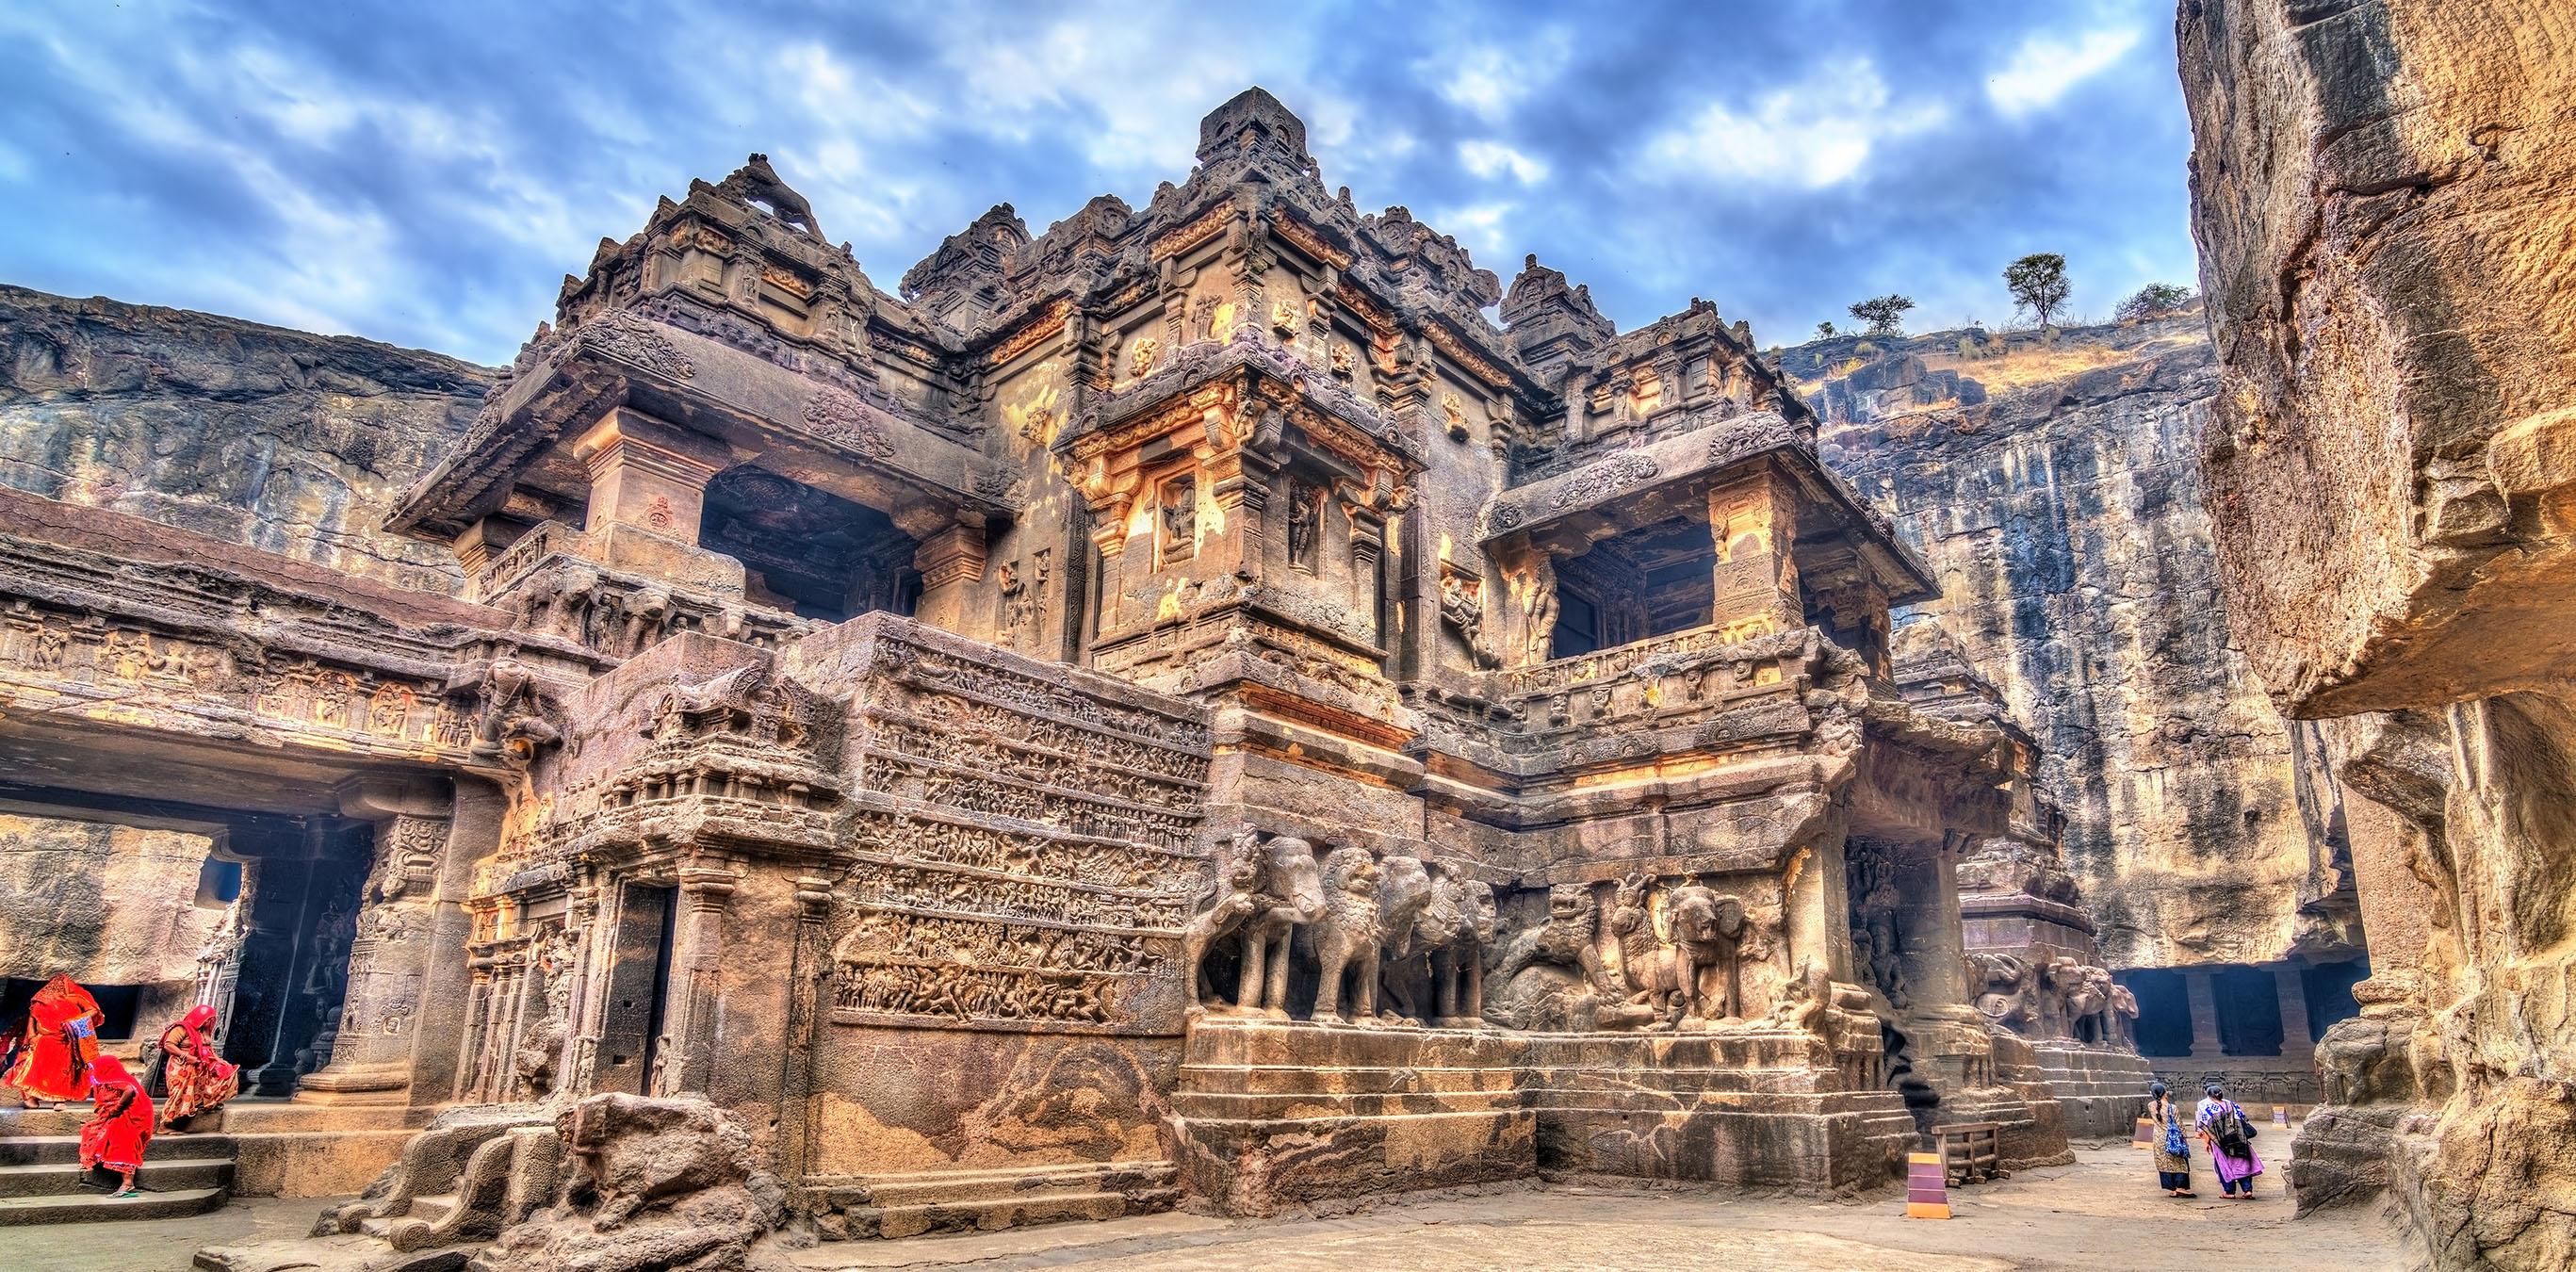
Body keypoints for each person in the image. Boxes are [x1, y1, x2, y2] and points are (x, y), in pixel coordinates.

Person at [4, 974, 104, 1107]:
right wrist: (32, 1034)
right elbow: (32, 1016)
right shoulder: (42, 997)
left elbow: (93, 1011)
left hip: (65, 1041)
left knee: (62, 1071)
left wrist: (75, 1020)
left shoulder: (76, 996)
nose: (57, 986)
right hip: (43, 1040)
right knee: (35, 1070)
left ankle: (59, 1100)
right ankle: (31, 1097)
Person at [78, 1054, 154, 1199]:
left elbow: (129, 1091)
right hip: (115, 1116)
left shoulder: (117, 1079)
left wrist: (118, 1108)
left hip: (131, 1117)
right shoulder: (103, 1080)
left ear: (106, 1068)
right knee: (92, 1130)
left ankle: (128, 1184)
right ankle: (96, 1159)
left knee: (122, 1141)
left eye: (95, 1069)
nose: (93, 1072)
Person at [152, 1004, 237, 1131]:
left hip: (200, 1064)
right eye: (206, 1019)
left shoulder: (204, 1031)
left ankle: (208, 1103)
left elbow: (208, 1049)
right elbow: (168, 1045)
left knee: (228, 1073)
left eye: (211, 1020)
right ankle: (164, 1125)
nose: (208, 1022)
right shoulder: (182, 1028)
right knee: (181, 1093)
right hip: (182, 1066)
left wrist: (220, 1061)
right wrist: (186, 1057)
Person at [2196, 1083, 2266, 1199]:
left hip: (2221, 1142)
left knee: (2223, 1165)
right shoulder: (2233, 1105)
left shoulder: (2208, 1109)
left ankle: (2229, 1191)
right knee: (2243, 1163)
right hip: (2239, 1138)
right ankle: (2247, 1190)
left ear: (2210, 1096)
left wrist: (2207, 1142)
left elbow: (2207, 1128)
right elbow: (2243, 1119)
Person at [2148, 1081, 2195, 1197]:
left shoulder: (2151, 1106)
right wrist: (2185, 1139)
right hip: (2173, 1139)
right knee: (2180, 1162)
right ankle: (2181, 1186)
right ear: (2164, 1092)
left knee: (2164, 1163)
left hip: (2159, 1138)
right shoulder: (2172, 1107)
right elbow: (2179, 1125)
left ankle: (2172, 1189)